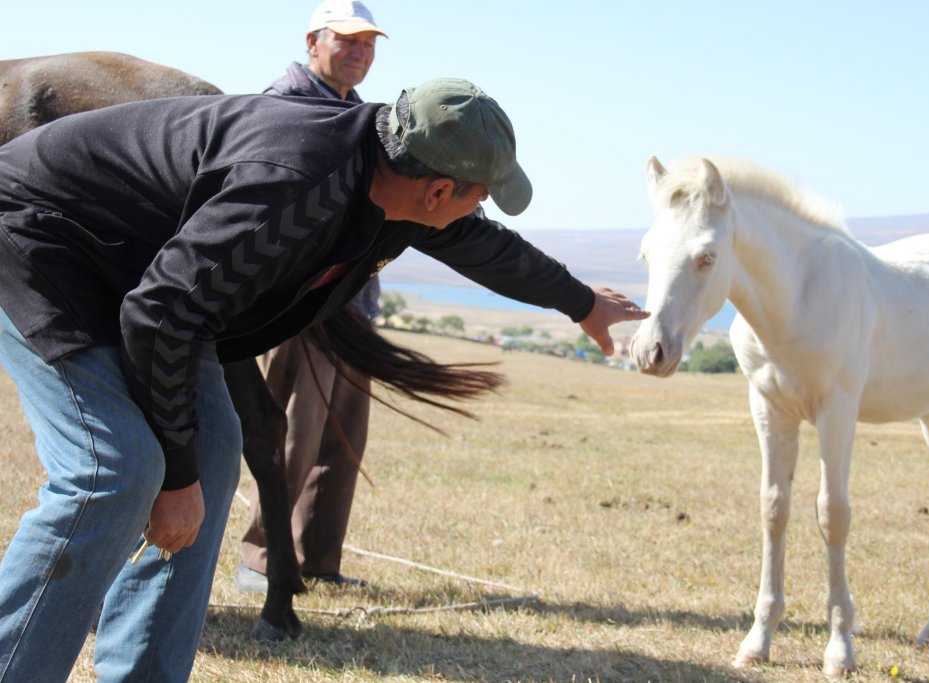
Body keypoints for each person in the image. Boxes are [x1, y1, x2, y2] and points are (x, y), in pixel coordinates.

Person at [0, 77, 647, 680]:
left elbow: (482, 245)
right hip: (39, 238)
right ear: (439, 193)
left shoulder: (393, 178)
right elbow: (161, 313)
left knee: (216, 452)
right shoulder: (294, 189)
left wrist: (582, 302)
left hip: (151, 277)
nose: (482, 210)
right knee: (116, 469)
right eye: (480, 195)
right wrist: (173, 478)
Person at [236, 0, 387, 592]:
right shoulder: (286, 103)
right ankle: (260, 557)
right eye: (347, 40)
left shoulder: (359, 113)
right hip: (302, 300)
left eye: (369, 44)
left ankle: (318, 558)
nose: (359, 52)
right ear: (312, 41)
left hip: (355, 299)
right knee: (293, 429)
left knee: (342, 435)